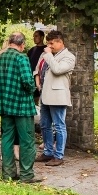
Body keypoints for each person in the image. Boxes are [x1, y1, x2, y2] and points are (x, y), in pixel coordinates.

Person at [0, 31, 39, 183]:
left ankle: (8, 174)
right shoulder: (21, 58)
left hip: (4, 105)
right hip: (21, 106)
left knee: (7, 138)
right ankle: (26, 175)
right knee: (27, 140)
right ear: (22, 44)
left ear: (10, 42)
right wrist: (32, 90)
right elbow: (28, 82)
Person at [35, 30, 76, 167]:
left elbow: (57, 69)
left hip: (58, 96)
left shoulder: (68, 57)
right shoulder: (48, 55)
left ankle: (59, 156)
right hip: (45, 95)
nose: (49, 46)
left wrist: (48, 55)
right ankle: (48, 152)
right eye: (48, 43)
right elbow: (39, 68)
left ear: (60, 42)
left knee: (59, 126)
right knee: (45, 125)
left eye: (52, 43)